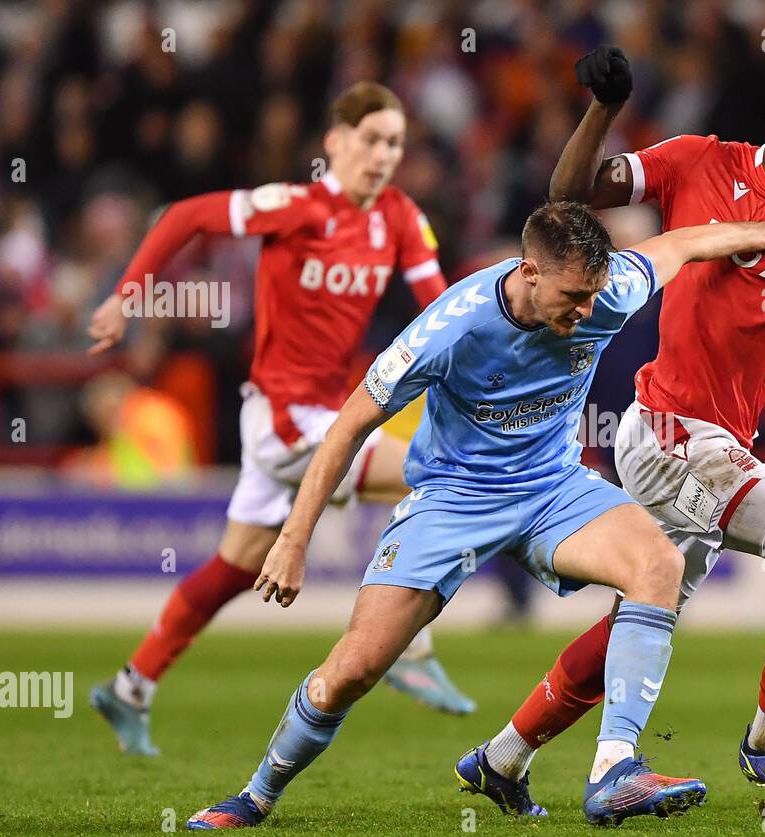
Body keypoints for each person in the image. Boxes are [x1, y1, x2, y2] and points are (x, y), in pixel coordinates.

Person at [185, 199, 765, 828]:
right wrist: (293, 539)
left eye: (593, 295)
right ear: (528, 272)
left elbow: (685, 242)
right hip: (453, 500)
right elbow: (348, 426)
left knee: (658, 565)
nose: (587, 312)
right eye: (571, 298)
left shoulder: (609, 290)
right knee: (350, 673)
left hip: (552, 488)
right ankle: (256, 796)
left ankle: (615, 770)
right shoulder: (452, 327)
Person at [474, 48, 765, 813]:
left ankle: (502, 755)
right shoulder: (697, 165)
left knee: (642, 612)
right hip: (668, 429)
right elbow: (568, 194)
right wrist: (603, 109)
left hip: (718, 442)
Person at [88, 82, 475, 758]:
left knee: (236, 565)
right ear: (335, 142)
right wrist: (128, 295)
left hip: (327, 411)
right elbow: (184, 217)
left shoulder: (400, 217)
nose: (382, 155)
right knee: (431, 476)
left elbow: (434, 307)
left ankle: (131, 685)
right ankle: (411, 647)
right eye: (371, 140)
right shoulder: (296, 206)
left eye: (394, 144)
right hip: (285, 418)